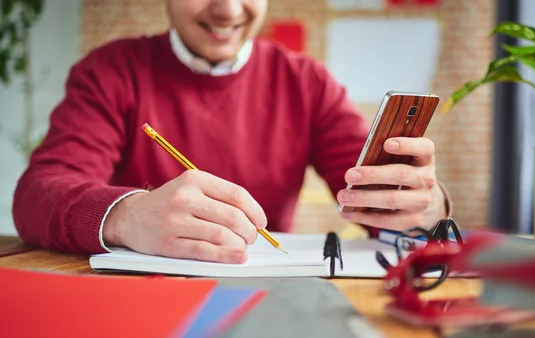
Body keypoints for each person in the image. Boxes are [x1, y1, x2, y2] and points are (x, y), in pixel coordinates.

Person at [13, 0, 452, 264]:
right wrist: (128, 216)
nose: (227, 9)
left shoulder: (306, 83)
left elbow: (372, 192)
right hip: (132, 301)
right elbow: (37, 194)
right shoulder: (109, 72)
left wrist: (424, 205)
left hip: (270, 303)